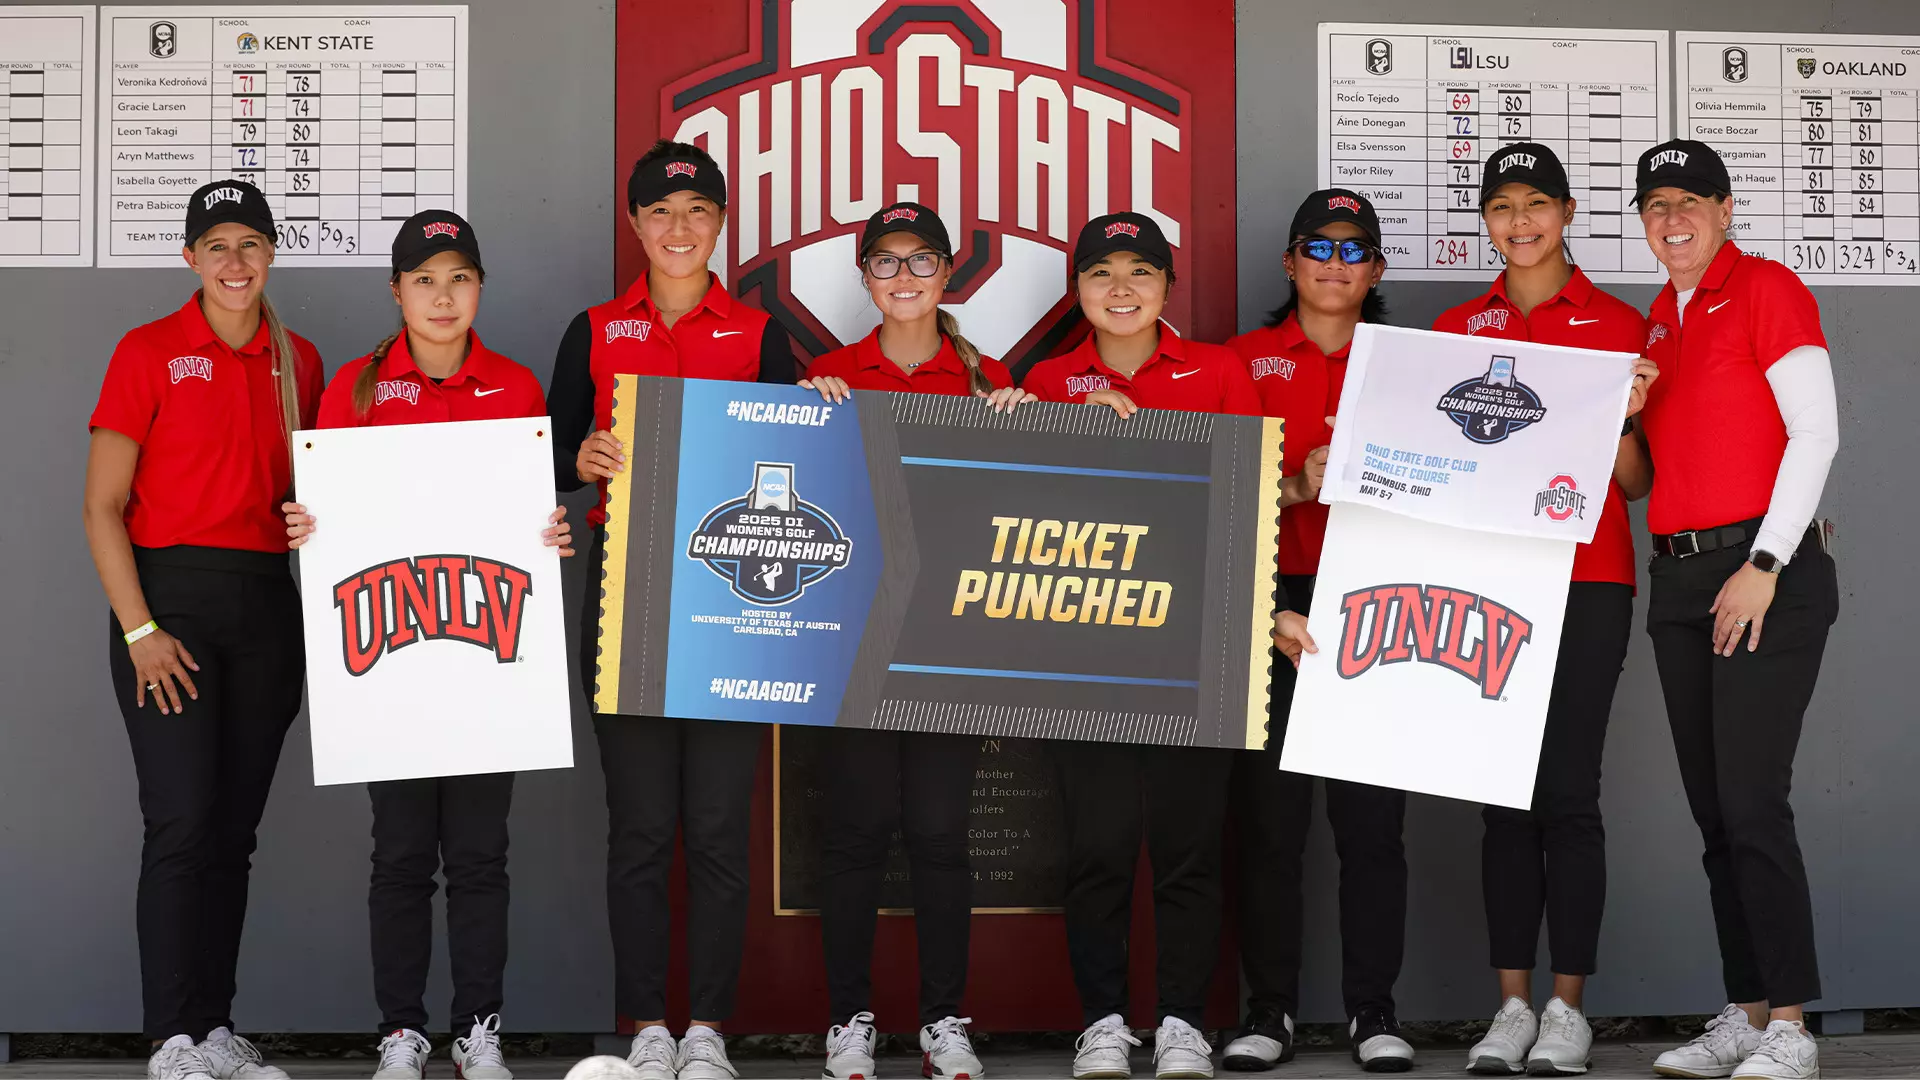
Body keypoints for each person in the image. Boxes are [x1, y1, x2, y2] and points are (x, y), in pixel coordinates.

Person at [1021, 211, 1316, 1080]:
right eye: (1102, 273)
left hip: (1199, 641)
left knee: (1189, 848)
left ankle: (1184, 1021)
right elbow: (1017, 509)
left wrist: (1265, 610)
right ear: (1078, 288)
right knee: (1099, 848)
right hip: (1084, 646)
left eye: (1140, 272)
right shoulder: (1046, 382)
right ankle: (1103, 1024)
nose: (1121, 289)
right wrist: (1060, 428)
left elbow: (1250, 503)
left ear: (1167, 286)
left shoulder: (1218, 370)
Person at [280, 211, 574, 1080]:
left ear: (479, 287)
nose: (442, 298)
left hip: (487, 648)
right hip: (390, 654)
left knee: (481, 855)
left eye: (459, 279)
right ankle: (401, 1033)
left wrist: (549, 533)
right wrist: (308, 523)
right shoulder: (357, 388)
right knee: (402, 854)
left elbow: (528, 511)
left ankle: (479, 1031)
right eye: (424, 281)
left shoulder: (514, 387)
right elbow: (327, 508)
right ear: (397, 291)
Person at [549, 139, 798, 1080]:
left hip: (736, 592)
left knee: (722, 828)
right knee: (642, 826)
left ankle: (708, 1032)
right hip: (627, 587)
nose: (679, 228)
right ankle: (649, 1025)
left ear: (721, 223)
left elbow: (800, 460)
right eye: (660, 212)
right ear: (635, 223)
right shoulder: (593, 329)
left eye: (697, 211)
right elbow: (546, 453)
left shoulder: (762, 334)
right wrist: (577, 459)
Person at [83, 179, 323, 1080]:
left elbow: (318, 492)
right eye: (216, 245)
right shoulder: (147, 350)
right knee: (181, 822)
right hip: (168, 607)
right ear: (190, 257)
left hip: (265, 605)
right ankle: (171, 1040)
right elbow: (101, 507)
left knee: (232, 832)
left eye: (250, 243)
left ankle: (215, 1030)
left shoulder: (299, 360)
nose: (235, 261)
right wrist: (139, 629)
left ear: (271, 254)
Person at [1428, 145, 1659, 1077]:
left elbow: (1636, 484)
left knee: (1567, 793)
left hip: (1589, 577)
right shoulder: (1456, 327)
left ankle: (1569, 1012)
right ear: (1486, 220)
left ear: (1566, 213)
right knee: (1503, 800)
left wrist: (1623, 417)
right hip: (1488, 580)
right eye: (1502, 206)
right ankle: (1512, 1009)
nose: (1519, 222)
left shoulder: (1620, 323)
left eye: (1535, 204)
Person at [800, 201, 1035, 1080]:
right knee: (856, 831)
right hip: (854, 632)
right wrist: (799, 416)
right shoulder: (830, 373)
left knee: (939, 833)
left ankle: (943, 1021)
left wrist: (1026, 425)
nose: (904, 277)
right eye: (886, 262)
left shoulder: (990, 378)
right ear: (865, 277)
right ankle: (848, 1022)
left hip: (950, 633)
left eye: (921, 260)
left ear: (948, 273)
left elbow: (1023, 505)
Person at [1630, 140, 1840, 1080]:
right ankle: (1748, 1012)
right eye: (1655, 206)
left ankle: (1791, 1024)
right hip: (1678, 578)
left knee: (1754, 802)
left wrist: (1765, 561)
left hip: (1763, 571)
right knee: (1716, 812)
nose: (1671, 220)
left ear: (1723, 209)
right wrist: (1624, 411)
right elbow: (1642, 475)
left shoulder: (1765, 287)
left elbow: (1815, 433)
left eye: (1689, 201)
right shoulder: (1658, 319)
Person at [1217, 190, 1415, 1075]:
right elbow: (1212, 495)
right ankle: (1271, 1011)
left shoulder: (1413, 366)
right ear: (1290, 262)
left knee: (1372, 827)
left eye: (1353, 249)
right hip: (1268, 599)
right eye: (1319, 247)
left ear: (1375, 270)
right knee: (1271, 827)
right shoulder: (1241, 360)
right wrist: (1297, 484)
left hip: (1381, 602)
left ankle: (1375, 1012)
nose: (1336, 264)